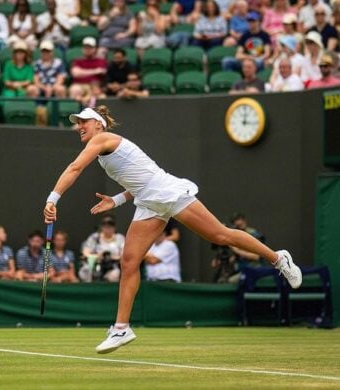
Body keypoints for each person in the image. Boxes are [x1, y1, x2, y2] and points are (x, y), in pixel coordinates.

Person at [42, 105, 302, 354]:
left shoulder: (102, 139)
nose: (78, 127)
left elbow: (74, 168)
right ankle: (121, 328)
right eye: (77, 124)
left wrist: (52, 199)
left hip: (166, 192)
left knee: (220, 235)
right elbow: (139, 179)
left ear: (97, 123)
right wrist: (117, 200)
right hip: (148, 201)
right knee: (130, 261)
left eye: (82, 122)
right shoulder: (103, 151)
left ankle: (278, 258)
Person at [81, 215, 124, 282]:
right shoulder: (95, 237)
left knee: (115, 274)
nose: (108, 229)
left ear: (114, 227)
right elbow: (85, 252)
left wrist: (112, 257)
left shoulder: (120, 238)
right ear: (102, 227)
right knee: (85, 271)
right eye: (105, 227)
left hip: (112, 265)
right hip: (97, 263)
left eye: (110, 227)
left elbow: (124, 254)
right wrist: (98, 256)